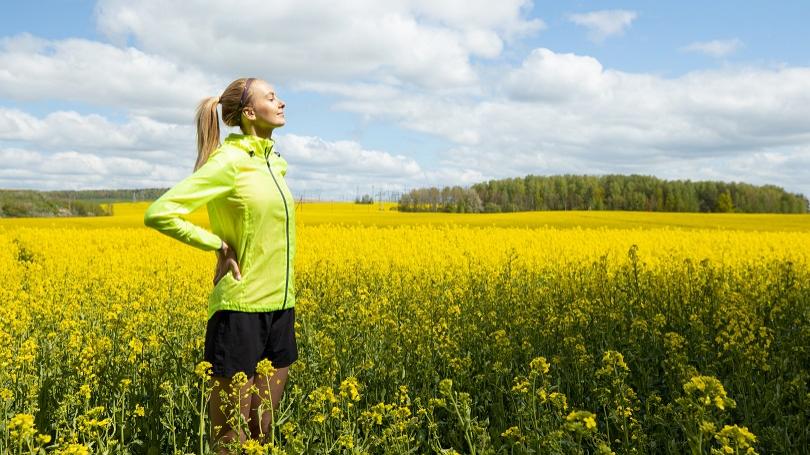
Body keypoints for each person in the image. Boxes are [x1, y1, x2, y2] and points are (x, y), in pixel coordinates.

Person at [143, 77, 296, 454]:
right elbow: (160, 212)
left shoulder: (275, 164)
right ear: (248, 113)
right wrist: (217, 245)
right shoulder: (228, 163)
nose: (281, 103)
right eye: (271, 97)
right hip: (240, 311)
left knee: (263, 430)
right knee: (230, 435)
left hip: (281, 307)